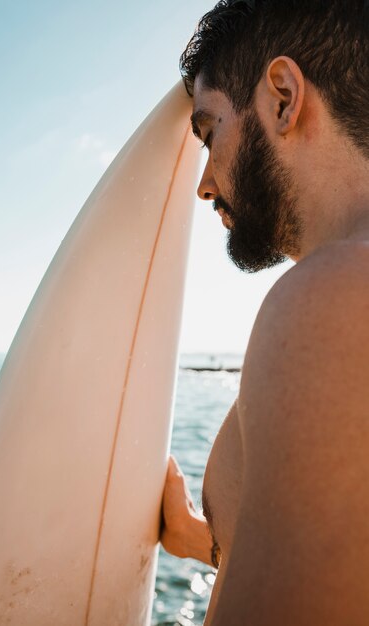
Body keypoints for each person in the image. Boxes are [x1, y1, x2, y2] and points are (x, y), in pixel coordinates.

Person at [160, 1, 369, 624]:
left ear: (281, 96)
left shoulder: (334, 300)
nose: (203, 183)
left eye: (209, 131)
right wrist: (204, 539)